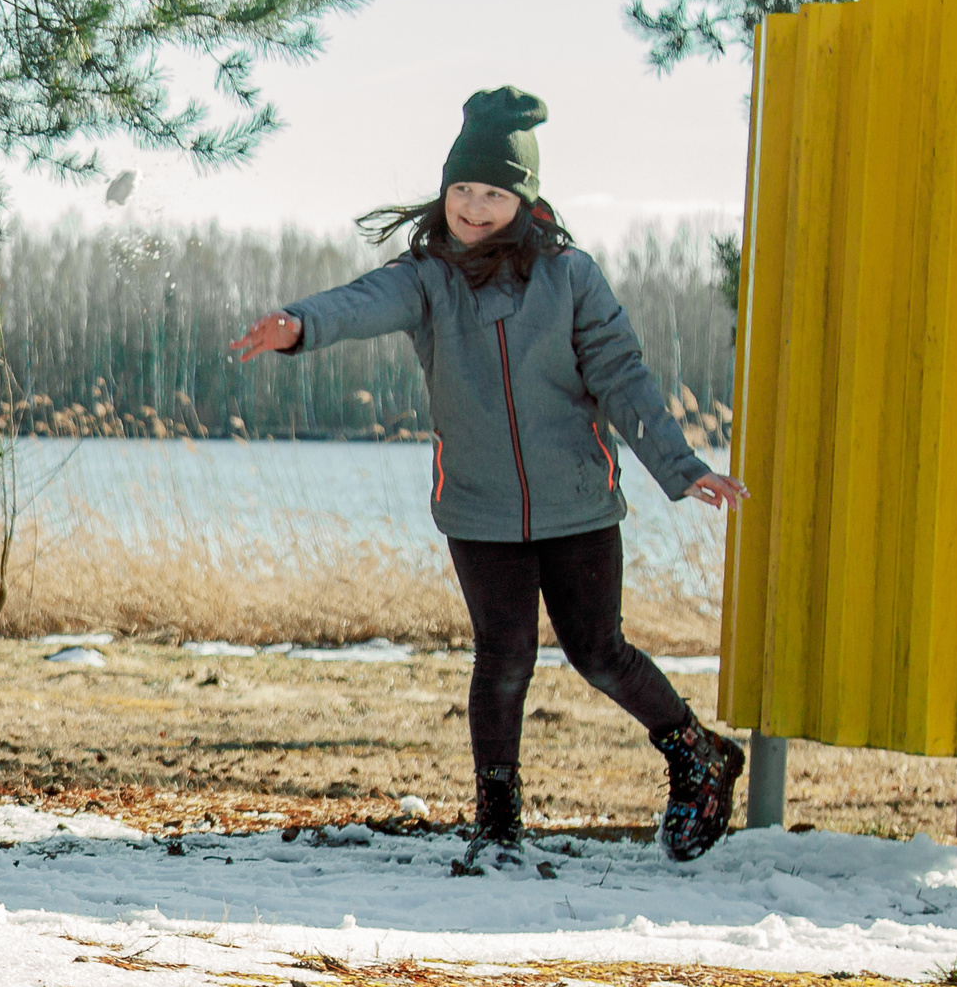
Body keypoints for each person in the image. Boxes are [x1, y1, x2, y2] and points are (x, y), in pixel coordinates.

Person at [228, 88, 751, 862]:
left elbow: (624, 379)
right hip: (478, 508)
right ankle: (497, 826)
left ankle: (699, 759)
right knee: (502, 656)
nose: (474, 207)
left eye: (494, 193)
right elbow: (363, 301)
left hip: (577, 503)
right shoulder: (428, 278)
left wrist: (684, 468)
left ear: (524, 199)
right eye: (464, 189)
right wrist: (302, 323)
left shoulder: (572, 276)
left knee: (598, 651)